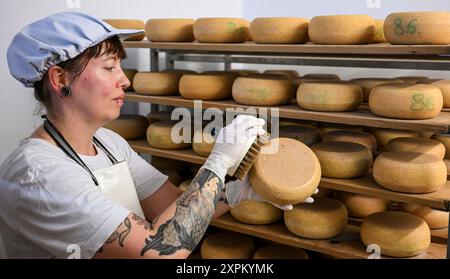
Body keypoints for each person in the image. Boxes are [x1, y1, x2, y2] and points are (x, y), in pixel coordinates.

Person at [0, 11, 314, 259]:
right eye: (109, 67)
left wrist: (233, 194)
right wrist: (216, 164)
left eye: (120, 66)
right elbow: (158, 251)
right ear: (59, 78)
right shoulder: (38, 175)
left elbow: (177, 209)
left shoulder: (110, 144)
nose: (124, 79)